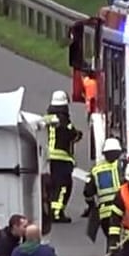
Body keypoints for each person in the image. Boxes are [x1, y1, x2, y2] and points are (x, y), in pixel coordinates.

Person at [43, 89, 81, 224]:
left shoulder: (48, 118)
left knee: (54, 185)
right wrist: (78, 134)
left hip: (50, 157)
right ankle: (57, 213)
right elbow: (73, 134)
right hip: (63, 158)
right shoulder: (64, 121)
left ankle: (53, 211)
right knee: (64, 186)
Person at [84, 136, 124, 246]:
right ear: (119, 152)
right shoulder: (122, 166)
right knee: (122, 240)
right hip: (122, 211)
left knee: (111, 239)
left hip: (104, 213)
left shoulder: (96, 170)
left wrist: (92, 206)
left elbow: (87, 193)